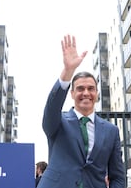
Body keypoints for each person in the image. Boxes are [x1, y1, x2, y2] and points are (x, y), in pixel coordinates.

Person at [38, 35, 125, 188]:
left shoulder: (111, 131)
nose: (86, 93)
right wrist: (68, 71)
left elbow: (117, 176)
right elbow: (51, 108)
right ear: (72, 93)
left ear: (97, 94)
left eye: (91, 89)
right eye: (80, 89)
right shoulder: (58, 122)